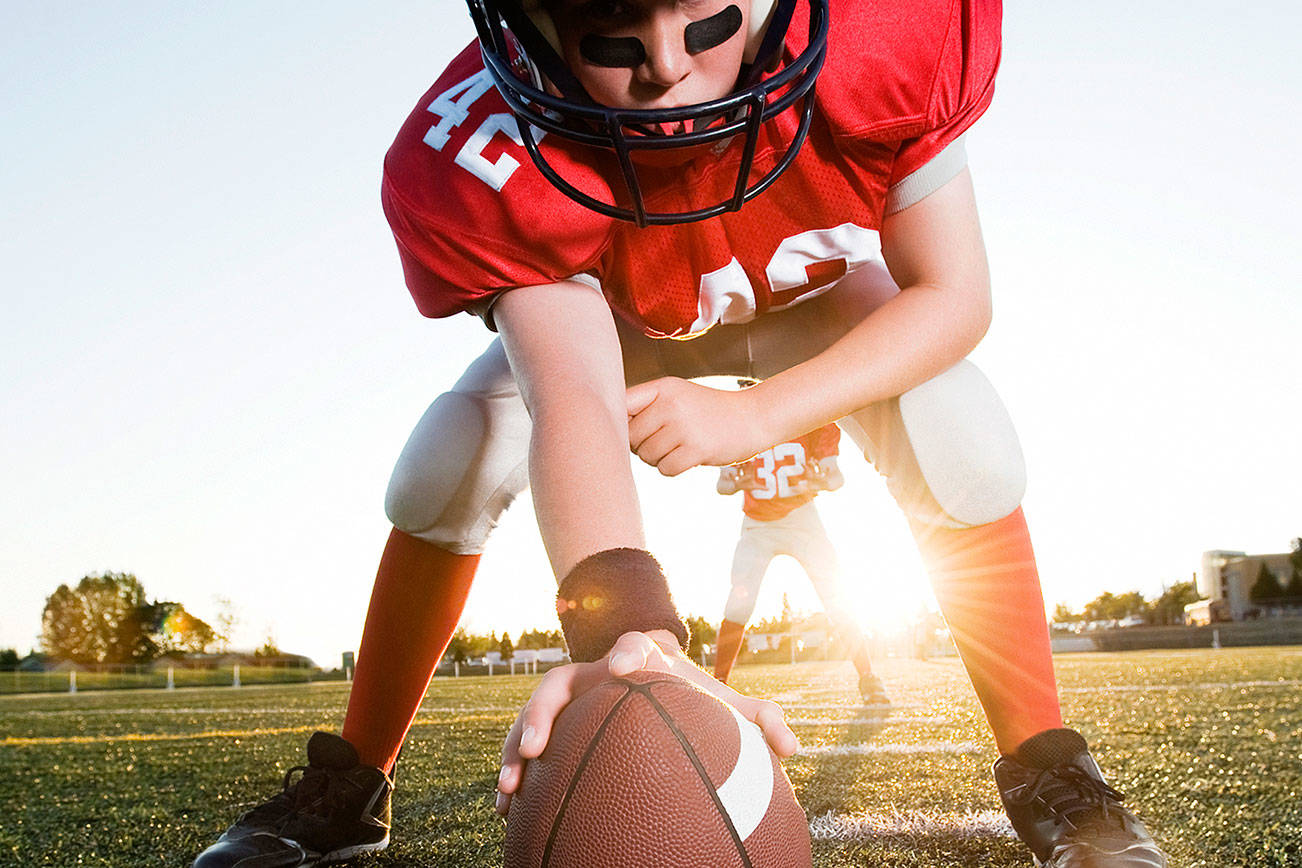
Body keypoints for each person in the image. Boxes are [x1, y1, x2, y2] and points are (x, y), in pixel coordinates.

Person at [192, 0, 1169, 866]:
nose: (666, 65)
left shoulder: (891, 29)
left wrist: (756, 413)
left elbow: (954, 297)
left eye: (707, 20)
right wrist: (627, 635)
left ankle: (1056, 780)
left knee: (959, 426)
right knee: (450, 455)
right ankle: (350, 785)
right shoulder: (491, 147)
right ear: (531, 26)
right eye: (611, 32)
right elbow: (572, 392)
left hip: (812, 298)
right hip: (621, 328)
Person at [712, 414, 888, 705]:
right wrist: (738, 482)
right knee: (739, 603)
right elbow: (723, 485)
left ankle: (868, 677)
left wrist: (820, 479)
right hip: (758, 524)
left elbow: (835, 478)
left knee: (836, 597)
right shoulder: (736, 420)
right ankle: (719, 685)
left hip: (802, 518)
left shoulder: (809, 418)